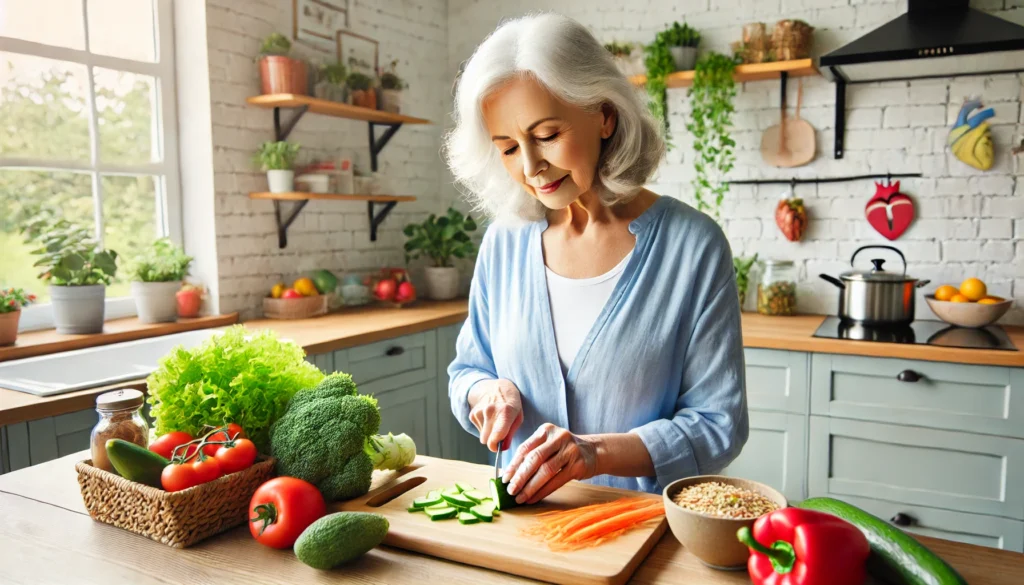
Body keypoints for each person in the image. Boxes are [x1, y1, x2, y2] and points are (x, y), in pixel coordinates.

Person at [443, 12, 748, 505]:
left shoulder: (693, 246)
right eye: (506, 148)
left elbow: (718, 426)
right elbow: (467, 372)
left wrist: (595, 452)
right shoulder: (504, 241)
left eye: (546, 134)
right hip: (520, 533)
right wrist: (486, 394)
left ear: (604, 114)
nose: (529, 166)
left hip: (639, 535)